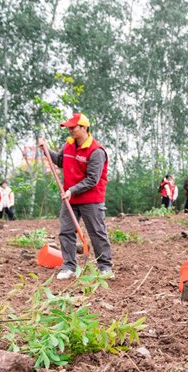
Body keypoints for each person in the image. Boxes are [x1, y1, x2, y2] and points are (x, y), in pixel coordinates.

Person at [38, 113, 113, 280]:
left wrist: (72, 190)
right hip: (70, 198)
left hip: (91, 199)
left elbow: (92, 179)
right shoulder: (69, 144)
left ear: (84, 128)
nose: (70, 130)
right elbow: (60, 161)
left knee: (97, 232)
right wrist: (46, 149)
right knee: (66, 232)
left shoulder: (96, 151)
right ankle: (69, 266)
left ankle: (105, 267)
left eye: (73, 127)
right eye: (68, 128)